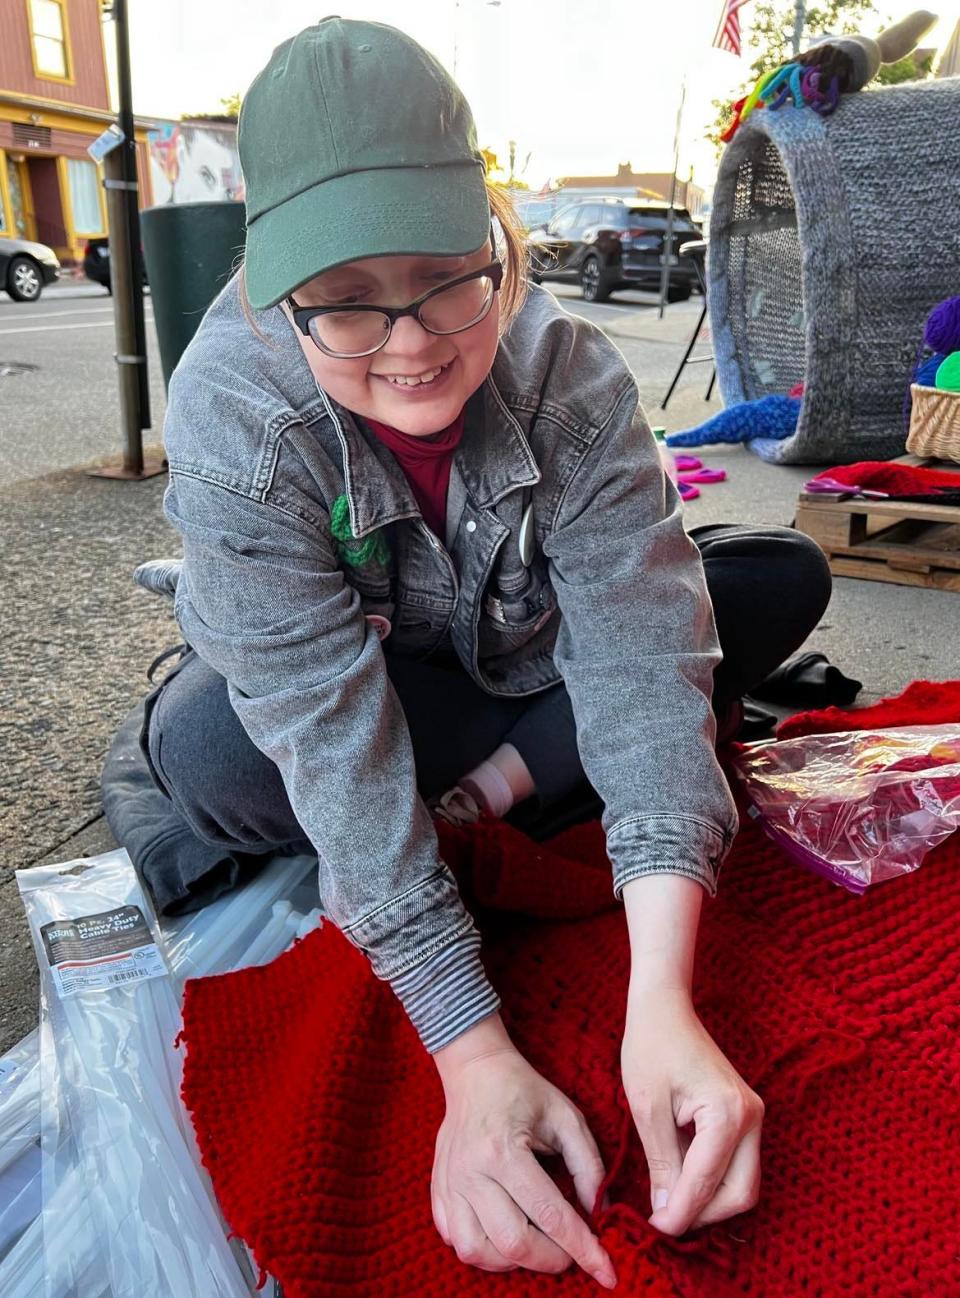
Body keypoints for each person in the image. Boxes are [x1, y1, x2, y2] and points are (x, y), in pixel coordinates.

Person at [109, 18, 832, 1289]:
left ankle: (486, 792)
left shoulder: (572, 377)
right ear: (277, 294)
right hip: (369, 689)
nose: (412, 341)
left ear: (494, 230)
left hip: (533, 662)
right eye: (344, 303)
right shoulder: (233, 415)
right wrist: (474, 1050)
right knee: (222, 749)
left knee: (759, 585)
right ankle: (517, 786)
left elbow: (639, 643)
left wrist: (663, 998)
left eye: (450, 273)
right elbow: (324, 727)